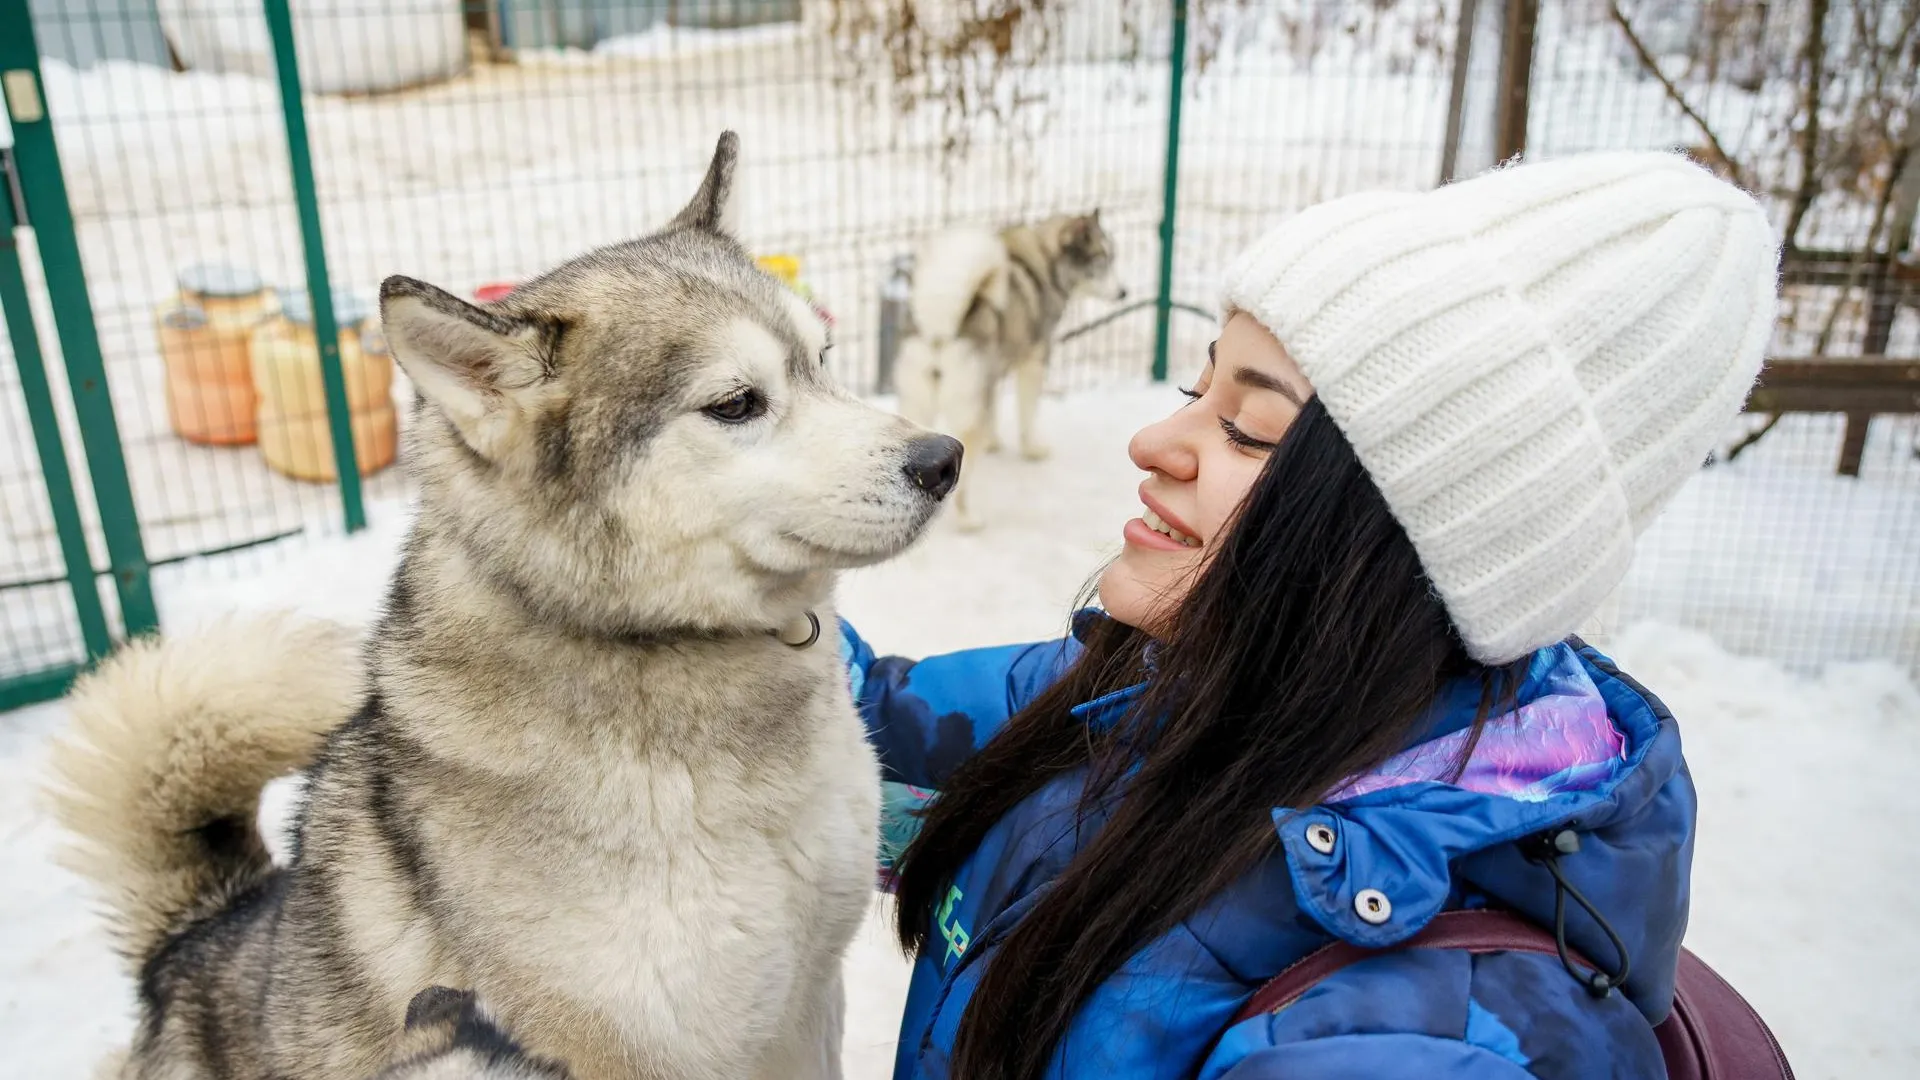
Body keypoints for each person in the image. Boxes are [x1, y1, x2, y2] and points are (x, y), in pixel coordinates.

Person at [841, 151, 1780, 1080]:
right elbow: (842, 717)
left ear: (1400, 543)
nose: (1153, 441)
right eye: (1194, 391)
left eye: (1247, 428)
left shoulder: (1424, 1040)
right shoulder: (1149, 698)